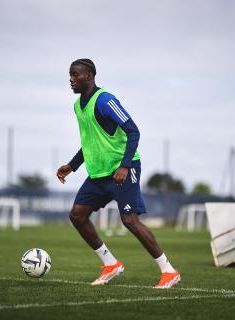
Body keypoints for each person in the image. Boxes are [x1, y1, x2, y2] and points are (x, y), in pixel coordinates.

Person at [57, 58, 181, 288]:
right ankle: (110, 264)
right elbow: (90, 143)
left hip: (124, 169)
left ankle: (169, 271)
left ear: (90, 76)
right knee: (77, 215)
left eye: (75, 74)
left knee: (129, 220)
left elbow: (133, 130)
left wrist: (125, 166)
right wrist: (72, 166)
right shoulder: (77, 106)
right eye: (70, 75)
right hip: (99, 174)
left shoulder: (105, 100)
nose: (71, 79)